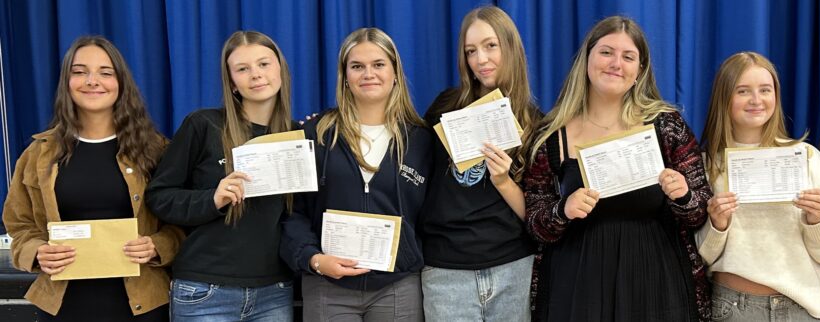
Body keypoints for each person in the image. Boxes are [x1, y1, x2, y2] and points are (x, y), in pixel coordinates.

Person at [522, 16, 711, 322]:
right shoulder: (551, 134)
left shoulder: (667, 126)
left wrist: (684, 195)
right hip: (577, 284)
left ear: (639, 70)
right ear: (587, 59)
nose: (615, 63)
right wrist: (562, 210)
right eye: (606, 52)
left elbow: (701, 210)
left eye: (628, 56)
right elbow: (534, 223)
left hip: (658, 282)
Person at [2, 35, 183, 321]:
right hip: (63, 306)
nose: (91, 80)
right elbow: (19, 225)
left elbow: (184, 223)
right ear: (67, 82)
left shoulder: (156, 150)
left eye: (105, 72)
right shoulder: (38, 154)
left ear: (121, 83)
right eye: (79, 71)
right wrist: (37, 252)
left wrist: (157, 246)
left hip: (144, 305)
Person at [280, 28, 432, 322]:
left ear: (395, 72)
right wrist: (313, 259)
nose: (368, 74)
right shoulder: (316, 134)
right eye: (357, 66)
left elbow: (433, 213)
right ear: (345, 76)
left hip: (398, 286)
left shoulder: (421, 140)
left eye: (378, 64)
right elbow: (292, 211)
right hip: (327, 285)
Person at [145, 30, 295, 321]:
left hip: (274, 291)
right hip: (205, 291)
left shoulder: (297, 138)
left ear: (280, 69)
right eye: (243, 69)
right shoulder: (203, 125)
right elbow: (159, 196)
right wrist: (211, 199)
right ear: (232, 83)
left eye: (264, 64)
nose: (256, 75)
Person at [695, 52, 820, 321]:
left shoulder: (807, 158)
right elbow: (701, 257)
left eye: (765, 90)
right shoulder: (707, 165)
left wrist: (817, 221)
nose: (756, 100)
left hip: (804, 308)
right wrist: (718, 225)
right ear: (724, 98)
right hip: (734, 309)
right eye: (743, 91)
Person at [419, 6, 541, 321]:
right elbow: (408, 162)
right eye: (471, 51)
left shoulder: (535, 125)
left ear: (511, 47)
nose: (480, 60)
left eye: (490, 46)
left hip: (511, 266)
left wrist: (503, 180)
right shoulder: (445, 107)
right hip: (446, 268)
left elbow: (537, 215)